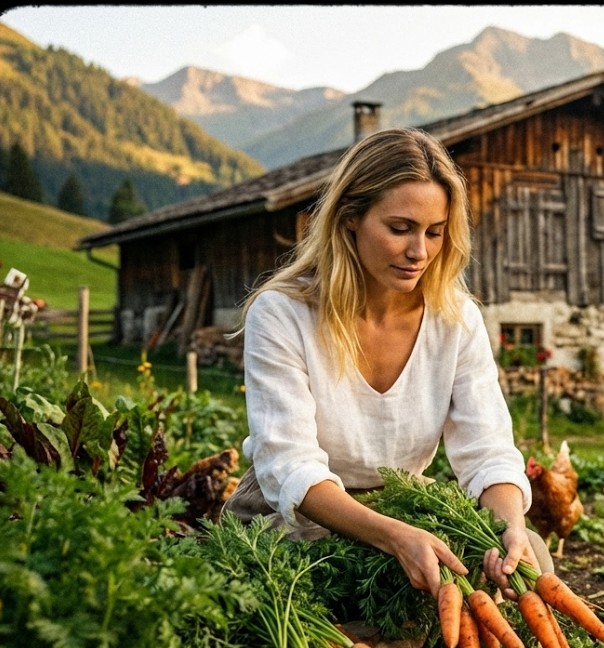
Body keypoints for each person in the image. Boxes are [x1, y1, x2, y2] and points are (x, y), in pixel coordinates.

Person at [222, 126, 554, 601]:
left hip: (405, 509)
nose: (419, 252)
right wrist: (392, 537)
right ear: (350, 218)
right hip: (293, 520)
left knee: (528, 559)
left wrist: (510, 529)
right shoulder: (282, 314)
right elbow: (289, 465)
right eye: (400, 229)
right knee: (309, 606)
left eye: (434, 233)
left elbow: (487, 451)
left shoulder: (455, 320)